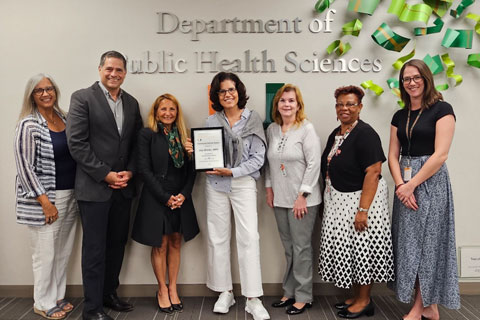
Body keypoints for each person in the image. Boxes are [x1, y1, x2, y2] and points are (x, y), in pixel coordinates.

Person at [66, 51, 143, 320]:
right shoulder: (82, 98)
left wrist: (130, 172)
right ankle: (92, 308)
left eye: (119, 70)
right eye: (109, 68)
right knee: (95, 249)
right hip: (95, 189)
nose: (114, 74)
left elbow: (136, 143)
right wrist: (106, 174)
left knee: (116, 244)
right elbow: (76, 144)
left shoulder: (131, 103)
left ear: (125, 73)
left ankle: (109, 294)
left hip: (124, 189)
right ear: (100, 69)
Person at [388, 59, 459, 320]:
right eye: (406, 79)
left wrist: (412, 185)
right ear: (402, 84)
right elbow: (393, 155)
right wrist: (400, 185)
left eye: (416, 77)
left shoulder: (442, 109)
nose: (411, 83)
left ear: (426, 79)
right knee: (409, 246)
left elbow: (440, 155)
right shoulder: (399, 115)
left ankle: (420, 308)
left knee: (428, 246)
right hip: (404, 185)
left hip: (430, 183)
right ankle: (430, 307)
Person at [197, 72, 270, 320]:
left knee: (249, 237)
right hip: (215, 184)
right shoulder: (210, 121)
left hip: (242, 182)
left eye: (231, 89)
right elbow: (207, 155)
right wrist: (196, 152)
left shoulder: (253, 119)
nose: (228, 94)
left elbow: (258, 159)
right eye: (222, 91)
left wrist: (233, 171)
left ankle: (253, 298)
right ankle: (225, 292)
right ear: (216, 96)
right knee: (218, 238)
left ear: (239, 91)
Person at [318, 85, 395, 319]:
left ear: (360, 107)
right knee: (351, 249)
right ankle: (356, 295)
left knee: (363, 249)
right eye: (340, 104)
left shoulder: (365, 133)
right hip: (339, 200)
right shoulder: (338, 133)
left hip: (361, 201)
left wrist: (363, 211)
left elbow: (373, 172)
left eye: (350, 104)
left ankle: (364, 301)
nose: (344, 108)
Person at [14, 74, 78, 320]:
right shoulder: (28, 124)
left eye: (49, 88)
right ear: (32, 95)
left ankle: (57, 296)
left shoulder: (63, 118)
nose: (45, 93)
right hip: (46, 198)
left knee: (62, 251)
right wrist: (45, 202)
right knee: (45, 253)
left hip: (70, 193)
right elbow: (25, 168)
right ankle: (42, 302)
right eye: (39, 90)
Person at [132, 94, 199, 314]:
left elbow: (191, 171)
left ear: (177, 112)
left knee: (176, 242)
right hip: (156, 197)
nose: (168, 113)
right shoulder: (147, 134)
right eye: (163, 109)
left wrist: (183, 195)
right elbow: (144, 169)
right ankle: (162, 289)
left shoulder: (184, 136)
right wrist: (165, 197)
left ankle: (173, 288)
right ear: (155, 111)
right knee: (159, 244)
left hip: (180, 197)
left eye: (172, 109)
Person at [264, 84, 321, 315]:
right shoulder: (273, 130)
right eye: (282, 101)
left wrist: (302, 196)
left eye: (291, 101)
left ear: (298, 105)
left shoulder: (307, 129)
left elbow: (314, 163)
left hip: (303, 200)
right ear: (276, 105)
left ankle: (304, 296)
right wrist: (269, 189)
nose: (287, 104)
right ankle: (289, 292)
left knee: (302, 248)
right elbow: (269, 163)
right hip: (280, 199)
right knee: (289, 248)